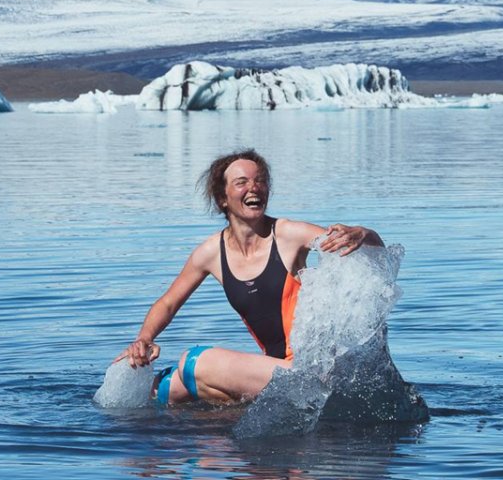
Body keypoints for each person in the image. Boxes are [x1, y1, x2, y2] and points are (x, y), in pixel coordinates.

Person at [116, 148, 383, 406]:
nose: (253, 188)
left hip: (308, 372)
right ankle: (232, 416)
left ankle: (237, 414)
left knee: (193, 362)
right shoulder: (211, 252)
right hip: (273, 369)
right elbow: (168, 303)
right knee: (163, 390)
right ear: (222, 197)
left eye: (260, 181)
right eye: (241, 182)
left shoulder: (288, 234)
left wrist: (363, 233)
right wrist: (144, 340)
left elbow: (373, 254)